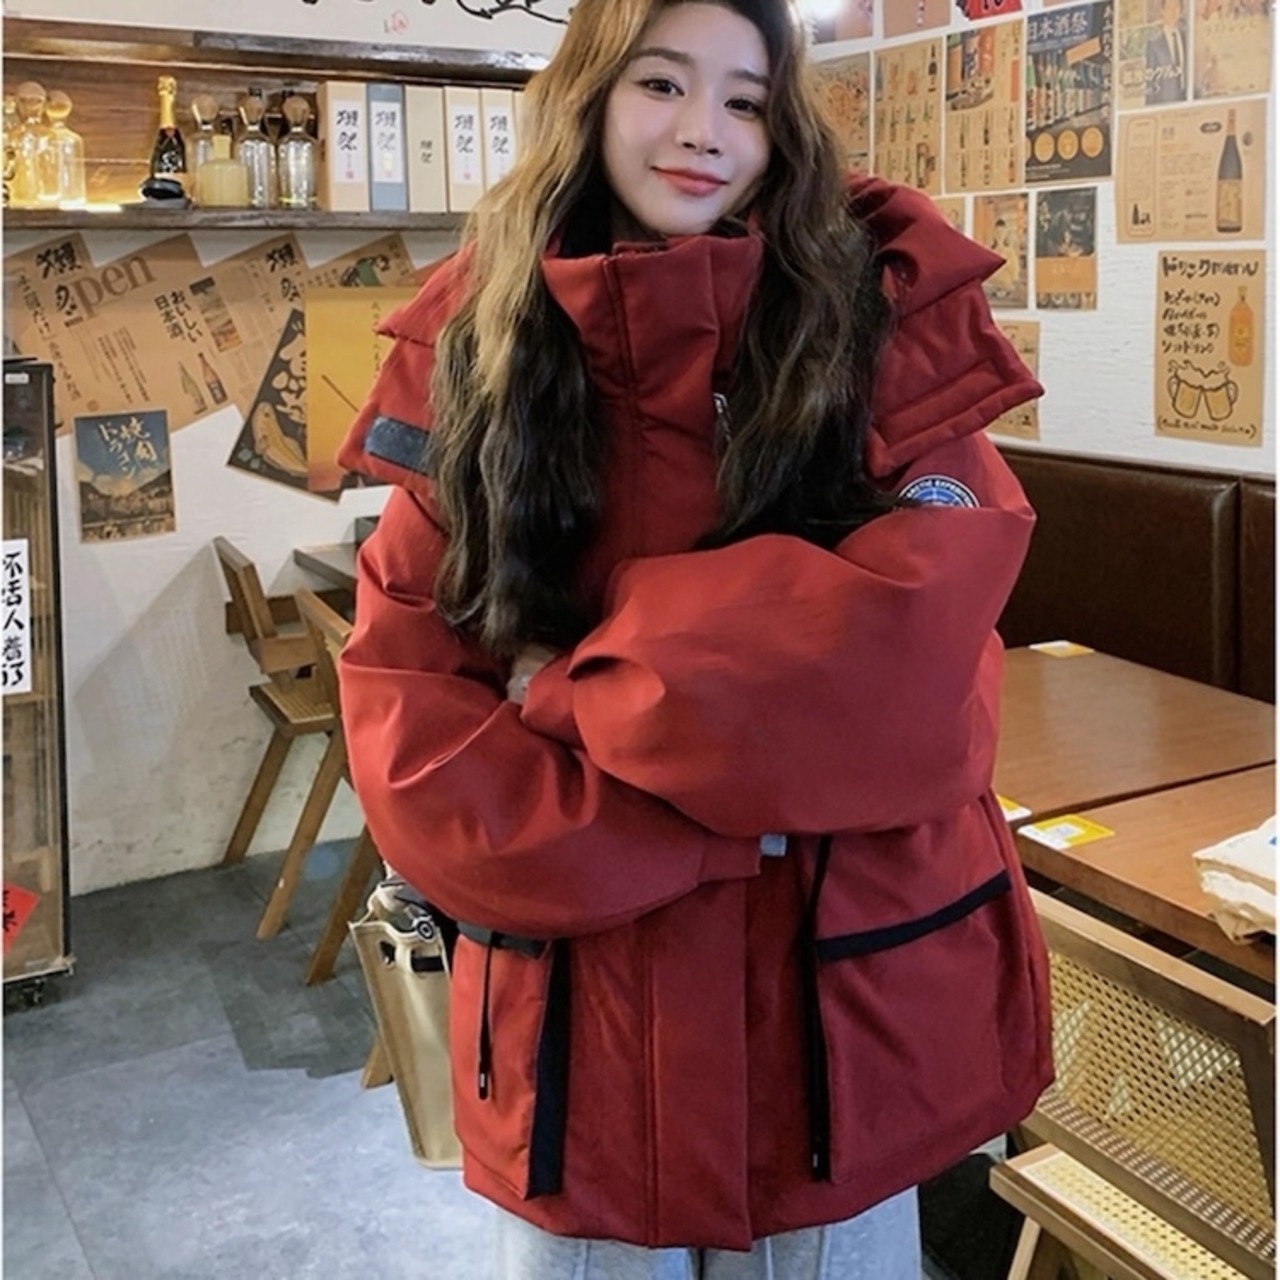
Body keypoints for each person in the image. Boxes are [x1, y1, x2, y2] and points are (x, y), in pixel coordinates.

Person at [337, 1, 1053, 1275]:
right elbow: (414, 739)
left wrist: (566, 696)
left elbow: (905, 659)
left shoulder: (880, 321)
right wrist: (740, 812)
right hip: (580, 1056)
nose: (702, 132)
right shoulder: (476, 350)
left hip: (832, 1033)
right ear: (589, 97)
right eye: (661, 84)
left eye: (744, 100)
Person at [1145, 0, 1187, 104]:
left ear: (1181, 10)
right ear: (1162, 11)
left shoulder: (1186, 38)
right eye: (1169, 8)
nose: (1173, 12)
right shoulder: (1154, 44)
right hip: (1165, 102)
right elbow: (1150, 82)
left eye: (1176, 7)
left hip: (1186, 101)